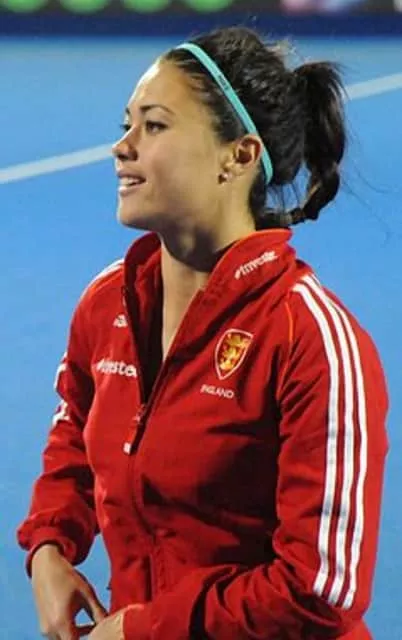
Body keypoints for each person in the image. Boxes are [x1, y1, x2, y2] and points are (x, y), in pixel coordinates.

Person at [17, 26, 388, 640]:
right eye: (127, 125)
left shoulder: (308, 337)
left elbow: (321, 588)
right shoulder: (108, 304)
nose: (122, 148)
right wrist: (50, 545)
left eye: (154, 126)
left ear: (238, 156)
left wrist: (144, 629)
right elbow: (75, 437)